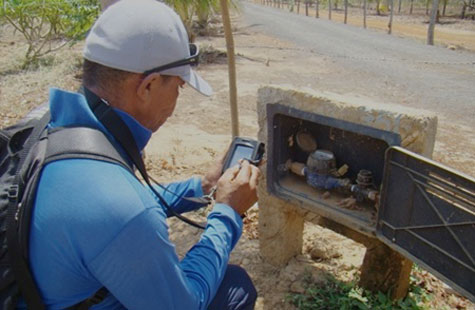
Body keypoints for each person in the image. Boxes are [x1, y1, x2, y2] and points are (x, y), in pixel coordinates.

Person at [25, 0, 260, 309]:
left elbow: (122, 207)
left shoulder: (48, 120)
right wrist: (228, 212)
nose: (176, 101)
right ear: (147, 86)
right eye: (178, 86)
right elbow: (184, 304)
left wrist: (202, 185)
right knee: (235, 287)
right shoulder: (119, 206)